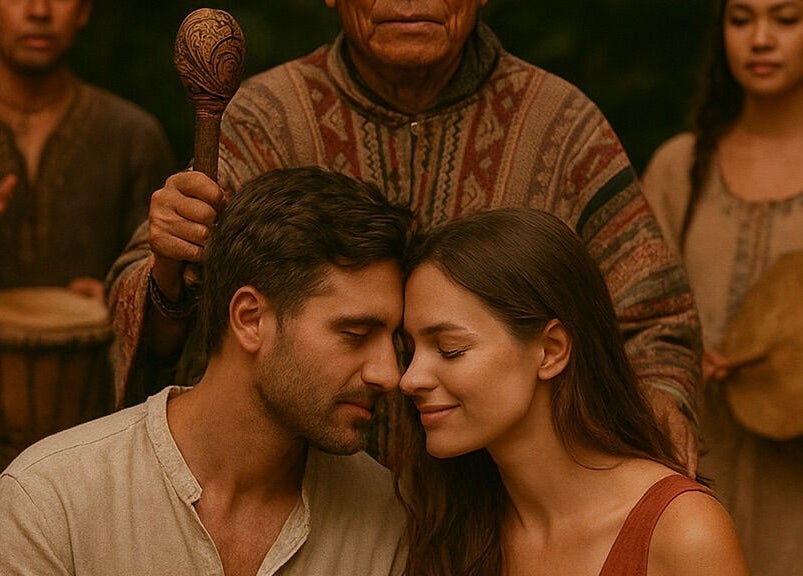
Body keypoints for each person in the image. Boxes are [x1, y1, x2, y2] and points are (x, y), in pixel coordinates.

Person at [108, 0, 702, 470]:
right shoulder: (262, 117)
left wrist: (660, 405)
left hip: (500, 519)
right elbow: (157, 326)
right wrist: (168, 263)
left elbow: (657, 318)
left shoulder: (564, 127)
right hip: (301, 512)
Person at [0, 167, 410, 575]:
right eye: (355, 333)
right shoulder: (52, 501)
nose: (389, 375)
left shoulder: (385, 519)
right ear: (250, 319)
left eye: (395, 342)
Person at [394, 207, 748, 576]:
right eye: (409, 351)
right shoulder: (451, 525)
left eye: (449, 348)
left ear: (551, 350)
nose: (410, 379)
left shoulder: (682, 531)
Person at [641, 0, 803, 572]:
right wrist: (678, 362)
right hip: (697, 464)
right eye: (741, 20)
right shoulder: (679, 168)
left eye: (785, 20)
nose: (760, 39)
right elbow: (634, 310)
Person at [0, 0, 174, 300]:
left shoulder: (131, 136)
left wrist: (123, 302)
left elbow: (168, 295)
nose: (39, 11)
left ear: (84, 10)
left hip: (95, 345)